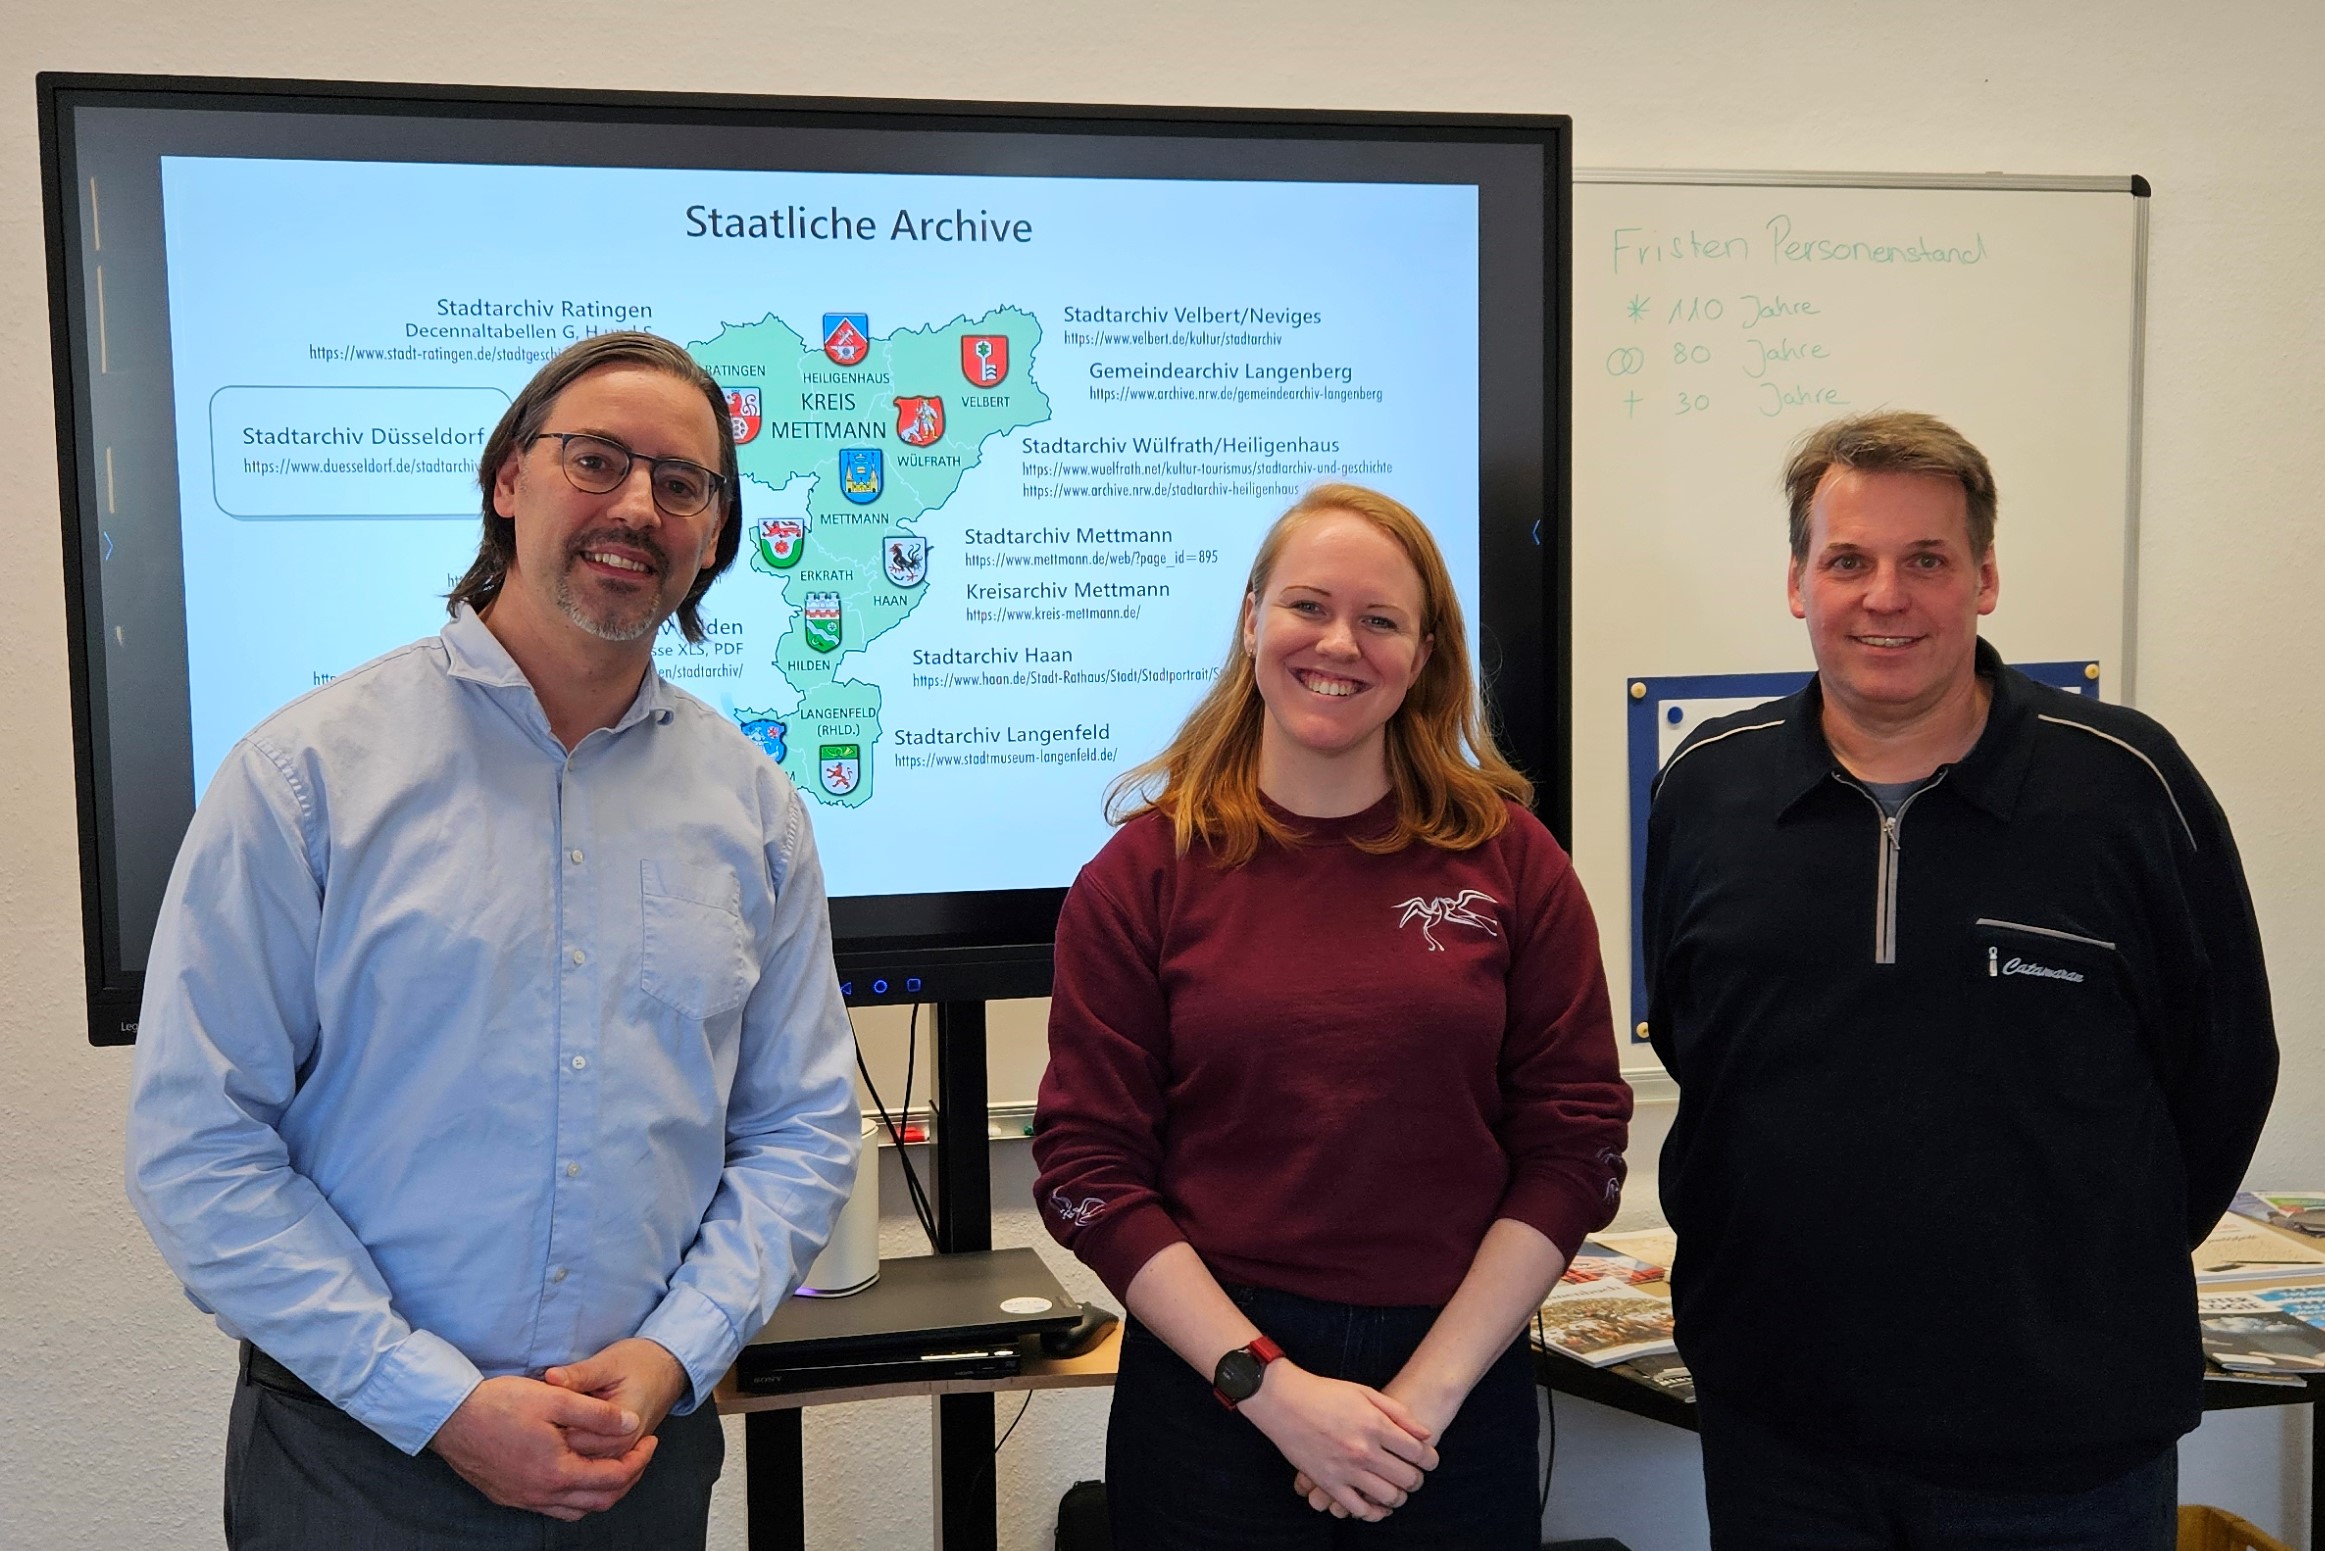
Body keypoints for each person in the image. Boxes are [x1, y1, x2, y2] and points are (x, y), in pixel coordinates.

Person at [125, 331, 861, 1548]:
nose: (639, 507)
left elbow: (801, 1129)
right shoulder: (308, 778)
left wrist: (674, 1355)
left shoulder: (753, 807)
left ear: (715, 533)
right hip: (359, 1463)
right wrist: (438, 1402)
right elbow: (200, 1146)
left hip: (639, 1457)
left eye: (682, 483)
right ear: (508, 479)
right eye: (597, 459)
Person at [1642, 411, 2278, 1550]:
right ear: (1796, 582)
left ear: (1984, 578)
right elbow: (1705, 1052)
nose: (1885, 596)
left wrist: (2081, 1265)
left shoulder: (2127, 785)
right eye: (1849, 560)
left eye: (1926, 559)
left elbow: (2224, 1068)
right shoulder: (1706, 786)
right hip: (1781, 1434)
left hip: (2061, 1444)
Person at [1033, 484, 1632, 1548]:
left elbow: (1575, 1145)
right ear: (1251, 618)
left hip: (1451, 1400)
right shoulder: (1140, 877)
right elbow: (1088, 1171)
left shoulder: (1513, 862)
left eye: (1380, 619)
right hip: (1214, 1402)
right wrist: (1270, 1391)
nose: (1339, 644)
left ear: (1424, 653)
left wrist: (1422, 1403)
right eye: (1308, 605)